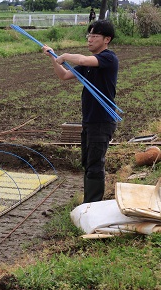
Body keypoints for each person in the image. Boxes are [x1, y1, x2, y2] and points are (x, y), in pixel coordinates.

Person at [42, 19, 118, 203]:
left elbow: (83, 59)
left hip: (102, 121)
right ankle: (90, 201)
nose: (89, 39)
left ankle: (92, 204)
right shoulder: (86, 66)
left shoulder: (108, 58)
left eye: (94, 36)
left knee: (94, 164)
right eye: (88, 35)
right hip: (90, 120)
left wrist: (65, 55)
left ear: (106, 39)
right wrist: (53, 56)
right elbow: (64, 75)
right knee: (88, 161)